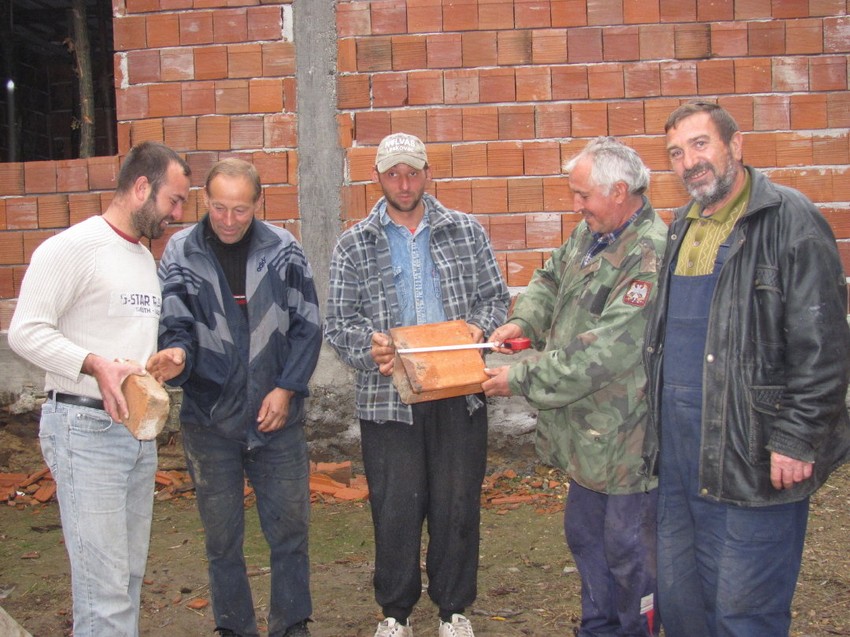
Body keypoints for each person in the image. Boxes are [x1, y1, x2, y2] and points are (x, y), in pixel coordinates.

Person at [643, 101, 850, 636]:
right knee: (683, 603)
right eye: (675, 152)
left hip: (753, 457)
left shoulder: (790, 222)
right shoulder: (680, 229)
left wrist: (799, 437)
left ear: (736, 145)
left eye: (700, 143)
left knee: (743, 612)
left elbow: (824, 347)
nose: (689, 161)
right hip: (681, 460)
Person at [324, 132, 510, 637]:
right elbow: (339, 325)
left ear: (428, 173)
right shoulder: (354, 243)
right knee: (395, 508)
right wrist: (373, 347)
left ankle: (453, 611)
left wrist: (479, 329)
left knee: (456, 504)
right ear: (377, 178)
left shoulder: (465, 232)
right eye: (392, 173)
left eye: (412, 172)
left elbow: (496, 300)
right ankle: (395, 613)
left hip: (459, 394)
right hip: (388, 400)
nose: (403, 183)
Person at [482, 137, 666, 637]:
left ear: (620, 190)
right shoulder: (593, 233)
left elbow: (602, 355)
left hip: (627, 447)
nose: (576, 204)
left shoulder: (648, 255)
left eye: (583, 194)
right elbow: (548, 277)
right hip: (587, 444)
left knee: (631, 558)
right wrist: (524, 323)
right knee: (586, 539)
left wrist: (518, 377)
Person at [7, 141, 190, 636]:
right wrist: (92, 364)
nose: (177, 214)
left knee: (125, 580)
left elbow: (123, 346)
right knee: (102, 591)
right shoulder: (71, 248)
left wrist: (162, 361)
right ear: (140, 187)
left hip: (135, 434)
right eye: (173, 200)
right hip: (83, 428)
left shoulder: (143, 260)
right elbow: (25, 331)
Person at [146, 158, 321, 637]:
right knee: (222, 540)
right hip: (210, 420)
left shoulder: (283, 250)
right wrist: (177, 355)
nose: (227, 219)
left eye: (240, 210)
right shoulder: (181, 252)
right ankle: (234, 628)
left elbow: (308, 326)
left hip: (277, 419)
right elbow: (175, 323)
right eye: (219, 207)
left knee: (289, 532)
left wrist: (286, 389)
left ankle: (291, 626)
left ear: (258, 204)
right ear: (204, 199)